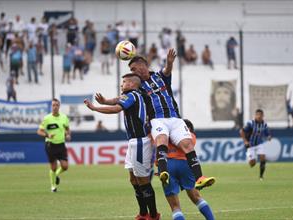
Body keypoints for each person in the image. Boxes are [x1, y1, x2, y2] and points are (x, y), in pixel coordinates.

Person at [128, 51, 215, 190]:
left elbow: (167, 70)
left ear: (142, 65)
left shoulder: (159, 77)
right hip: (158, 119)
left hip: (175, 118)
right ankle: (164, 172)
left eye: (133, 68)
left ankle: (200, 178)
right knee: (161, 140)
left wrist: (169, 62)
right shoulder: (138, 86)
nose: (132, 72)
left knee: (188, 145)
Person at [84, 73, 160, 220]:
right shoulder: (133, 95)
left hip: (140, 142)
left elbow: (116, 108)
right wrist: (105, 101)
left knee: (143, 180)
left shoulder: (132, 94)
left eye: (124, 82)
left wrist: (95, 108)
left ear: (132, 84)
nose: (121, 84)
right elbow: (117, 100)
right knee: (133, 179)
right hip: (133, 142)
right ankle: (143, 213)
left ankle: (153, 215)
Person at [162, 119, 215, 220]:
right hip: (185, 164)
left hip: (168, 165)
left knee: (175, 207)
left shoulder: (163, 135)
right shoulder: (190, 136)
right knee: (197, 197)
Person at [37, 98, 71, 192]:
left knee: (65, 166)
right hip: (50, 145)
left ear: (59, 106)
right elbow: (39, 131)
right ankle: (53, 186)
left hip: (61, 144)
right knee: (53, 166)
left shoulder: (64, 117)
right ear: (51, 106)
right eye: (53, 105)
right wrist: (47, 135)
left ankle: (56, 175)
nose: (55, 107)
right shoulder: (47, 118)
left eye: (56, 105)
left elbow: (67, 129)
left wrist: (68, 135)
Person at [239, 109, 272, 180]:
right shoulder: (251, 123)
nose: (259, 116)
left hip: (259, 144)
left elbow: (267, 132)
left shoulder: (264, 124)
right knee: (252, 164)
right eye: (257, 115)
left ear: (263, 116)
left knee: (263, 159)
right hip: (250, 145)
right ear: (255, 115)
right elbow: (241, 131)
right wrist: (245, 141)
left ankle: (261, 176)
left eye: (260, 115)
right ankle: (251, 158)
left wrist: (269, 136)